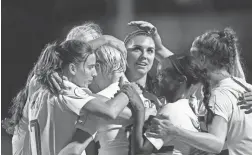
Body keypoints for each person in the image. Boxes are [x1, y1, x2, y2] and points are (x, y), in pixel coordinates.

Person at [147, 28, 252, 155]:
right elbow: (238, 140)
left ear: (202, 59)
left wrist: (174, 131)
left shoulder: (219, 95)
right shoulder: (243, 86)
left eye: (193, 56)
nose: (189, 61)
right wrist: (158, 48)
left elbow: (216, 143)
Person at [130, 55, 210, 155]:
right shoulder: (189, 111)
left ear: (181, 80)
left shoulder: (172, 109)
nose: (156, 79)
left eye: (162, 75)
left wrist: (139, 112)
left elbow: (140, 153)